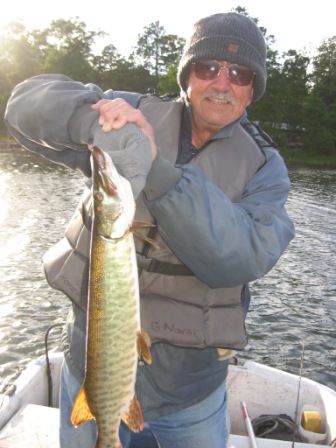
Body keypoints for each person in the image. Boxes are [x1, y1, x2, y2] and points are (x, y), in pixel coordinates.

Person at [4, 12, 295, 448]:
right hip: (91, 368)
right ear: (186, 76)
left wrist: (159, 174)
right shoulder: (133, 113)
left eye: (239, 73)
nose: (221, 83)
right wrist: (91, 124)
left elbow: (243, 254)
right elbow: (24, 103)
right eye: (207, 67)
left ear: (253, 89)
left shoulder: (265, 167)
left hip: (189, 393)